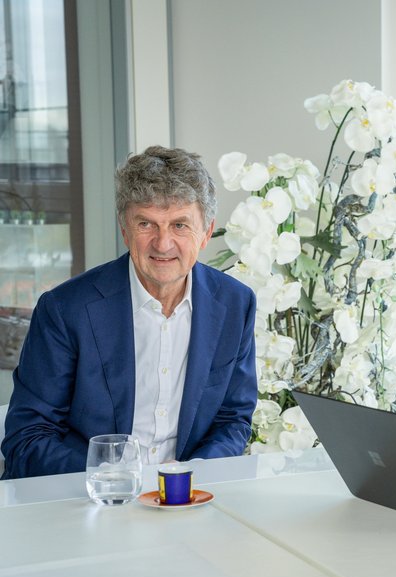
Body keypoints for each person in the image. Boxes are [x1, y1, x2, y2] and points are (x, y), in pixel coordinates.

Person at [1, 146, 257, 479]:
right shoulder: (65, 310)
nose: (163, 244)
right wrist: (113, 479)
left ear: (206, 232)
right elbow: (27, 437)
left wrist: (188, 477)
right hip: (86, 500)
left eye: (180, 225)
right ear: (125, 229)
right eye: (146, 224)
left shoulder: (236, 304)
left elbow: (232, 420)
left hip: (185, 499)